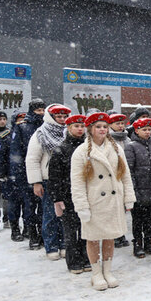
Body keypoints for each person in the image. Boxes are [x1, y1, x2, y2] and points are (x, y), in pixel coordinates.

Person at [70, 112, 136, 291]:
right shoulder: (81, 151)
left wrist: (128, 197)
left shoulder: (116, 148)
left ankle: (108, 270)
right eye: (98, 126)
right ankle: (96, 273)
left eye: (105, 127)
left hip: (113, 200)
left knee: (110, 236)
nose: (102, 130)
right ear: (90, 129)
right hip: (94, 201)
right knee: (92, 238)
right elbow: (77, 182)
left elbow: (125, 175)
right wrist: (81, 205)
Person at [26, 103, 71, 260]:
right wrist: (36, 182)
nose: (62, 120)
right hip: (47, 180)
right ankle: (51, 245)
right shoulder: (40, 134)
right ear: (50, 117)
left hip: (66, 180)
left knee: (66, 214)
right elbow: (32, 159)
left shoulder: (69, 132)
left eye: (65, 117)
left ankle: (65, 244)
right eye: (58, 116)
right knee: (50, 214)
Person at [49, 114, 92, 274]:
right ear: (68, 128)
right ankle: (73, 261)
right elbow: (54, 177)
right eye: (76, 126)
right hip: (68, 195)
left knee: (87, 228)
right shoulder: (61, 150)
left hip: (87, 194)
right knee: (71, 231)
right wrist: (57, 198)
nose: (80, 129)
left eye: (82, 126)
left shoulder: (89, 147)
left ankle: (87, 258)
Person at [11, 99, 46, 250]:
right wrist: (19, 174)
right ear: (32, 111)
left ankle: (44, 234)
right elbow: (16, 153)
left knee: (45, 207)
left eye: (43, 110)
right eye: (38, 110)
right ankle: (33, 235)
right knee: (30, 207)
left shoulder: (47, 126)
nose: (41, 113)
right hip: (27, 173)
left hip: (44, 172)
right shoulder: (22, 127)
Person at [125, 117, 151, 258]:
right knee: (137, 219)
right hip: (139, 189)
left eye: (149, 129)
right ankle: (138, 243)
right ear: (136, 130)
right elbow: (129, 170)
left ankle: (149, 241)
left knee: (149, 219)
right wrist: (134, 190)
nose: (147, 132)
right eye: (143, 129)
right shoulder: (131, 147)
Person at [0, 111, 26, 241]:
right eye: (20, 120)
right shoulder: (6, 136)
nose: (22, 122)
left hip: (26, 176)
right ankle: (15, 229)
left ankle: (28, 228)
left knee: (28, 206)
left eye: (24, 119)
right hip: (11, 177)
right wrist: (0, 173)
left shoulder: (29, 134)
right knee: (13, 204)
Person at [108, 112, 131, 248]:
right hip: (113, 176)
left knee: (121, 208)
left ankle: (120, 233)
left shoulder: (127, 138)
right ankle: (113, 235)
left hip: (124, 175)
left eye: (122, 123)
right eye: (117, 123)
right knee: (112, 207)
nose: (121, 126)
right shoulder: (108, 138)